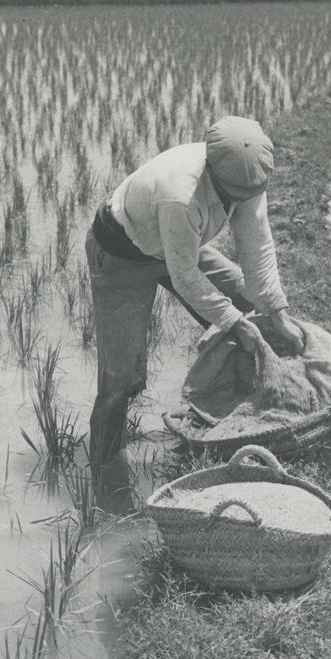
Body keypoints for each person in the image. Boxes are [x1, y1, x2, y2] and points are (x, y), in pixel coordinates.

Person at [85, 115, 303, 504]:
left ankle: (238, 418)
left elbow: (256, 242)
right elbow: (184, 277)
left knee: (250, 309)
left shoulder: (246, 177)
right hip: (122, 255)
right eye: (233, 194)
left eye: (247, 193)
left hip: (179, 243)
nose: (242, 199)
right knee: (121, 378)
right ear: (213, 172)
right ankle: (105, 478)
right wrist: (234, 324)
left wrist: (276, 311)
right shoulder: (181, 194)